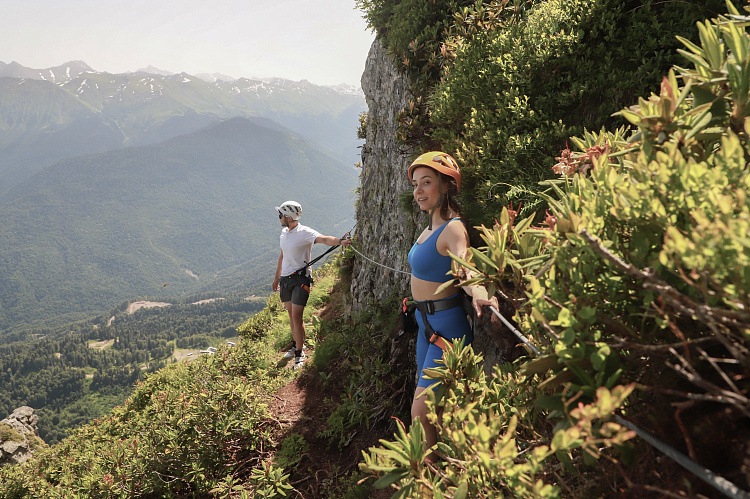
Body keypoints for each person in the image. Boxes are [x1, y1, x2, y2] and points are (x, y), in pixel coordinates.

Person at [407, 151, 498, 460]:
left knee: (420, 411)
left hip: (447, 330)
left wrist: (479, 292)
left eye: (427, 183)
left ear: (446, 186)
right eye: (416, 184)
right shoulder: (431, 226)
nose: (418, 191)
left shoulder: (453, 228)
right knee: (433, 410)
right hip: (425, 327)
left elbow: (466, 266)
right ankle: (447, 468)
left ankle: (429, 480)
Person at [272, 200, 351, 370]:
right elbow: (282, 256)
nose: (279, 218)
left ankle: (300, 353)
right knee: (291, 314)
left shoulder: (304, 232)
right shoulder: (284, 233)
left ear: (288, 217)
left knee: (296, 316)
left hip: (300, 279)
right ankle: (295, 345)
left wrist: (339, 241)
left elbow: (323, 238)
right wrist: (276, 277)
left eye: (280, 215)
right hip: (285, 279)